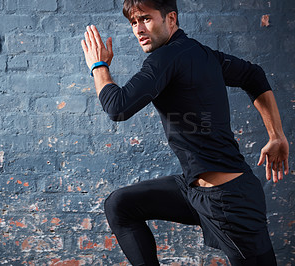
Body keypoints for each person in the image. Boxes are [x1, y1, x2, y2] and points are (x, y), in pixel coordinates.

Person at [81, 0, 289, 265]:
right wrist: (276, 135)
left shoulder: (165, 58)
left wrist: (98, 66)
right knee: (120, 204)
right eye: (133, 22)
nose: (138, 29)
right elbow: (254, 75)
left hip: (229, 202)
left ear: (171, 19)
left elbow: (117, 107)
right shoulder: (201, 54)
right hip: (196, 190)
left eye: (145, 18)